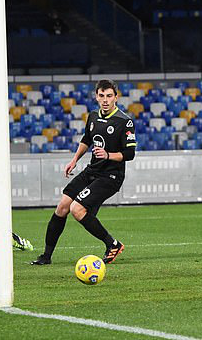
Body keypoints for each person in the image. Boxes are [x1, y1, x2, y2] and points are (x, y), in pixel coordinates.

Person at [31, 79, 136, 265]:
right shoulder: (93, 116)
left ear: (116, 98)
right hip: (92, 171)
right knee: (62, 206)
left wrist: (108, 154)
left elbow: (130, 153)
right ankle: (46, 256)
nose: (105, 100)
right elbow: (86, 139)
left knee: (76, 209)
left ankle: (113, 244)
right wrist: (74, 160)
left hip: (111, 176)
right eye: (101, 96)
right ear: (96, 96)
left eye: (109, 96)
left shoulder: (124, 122)